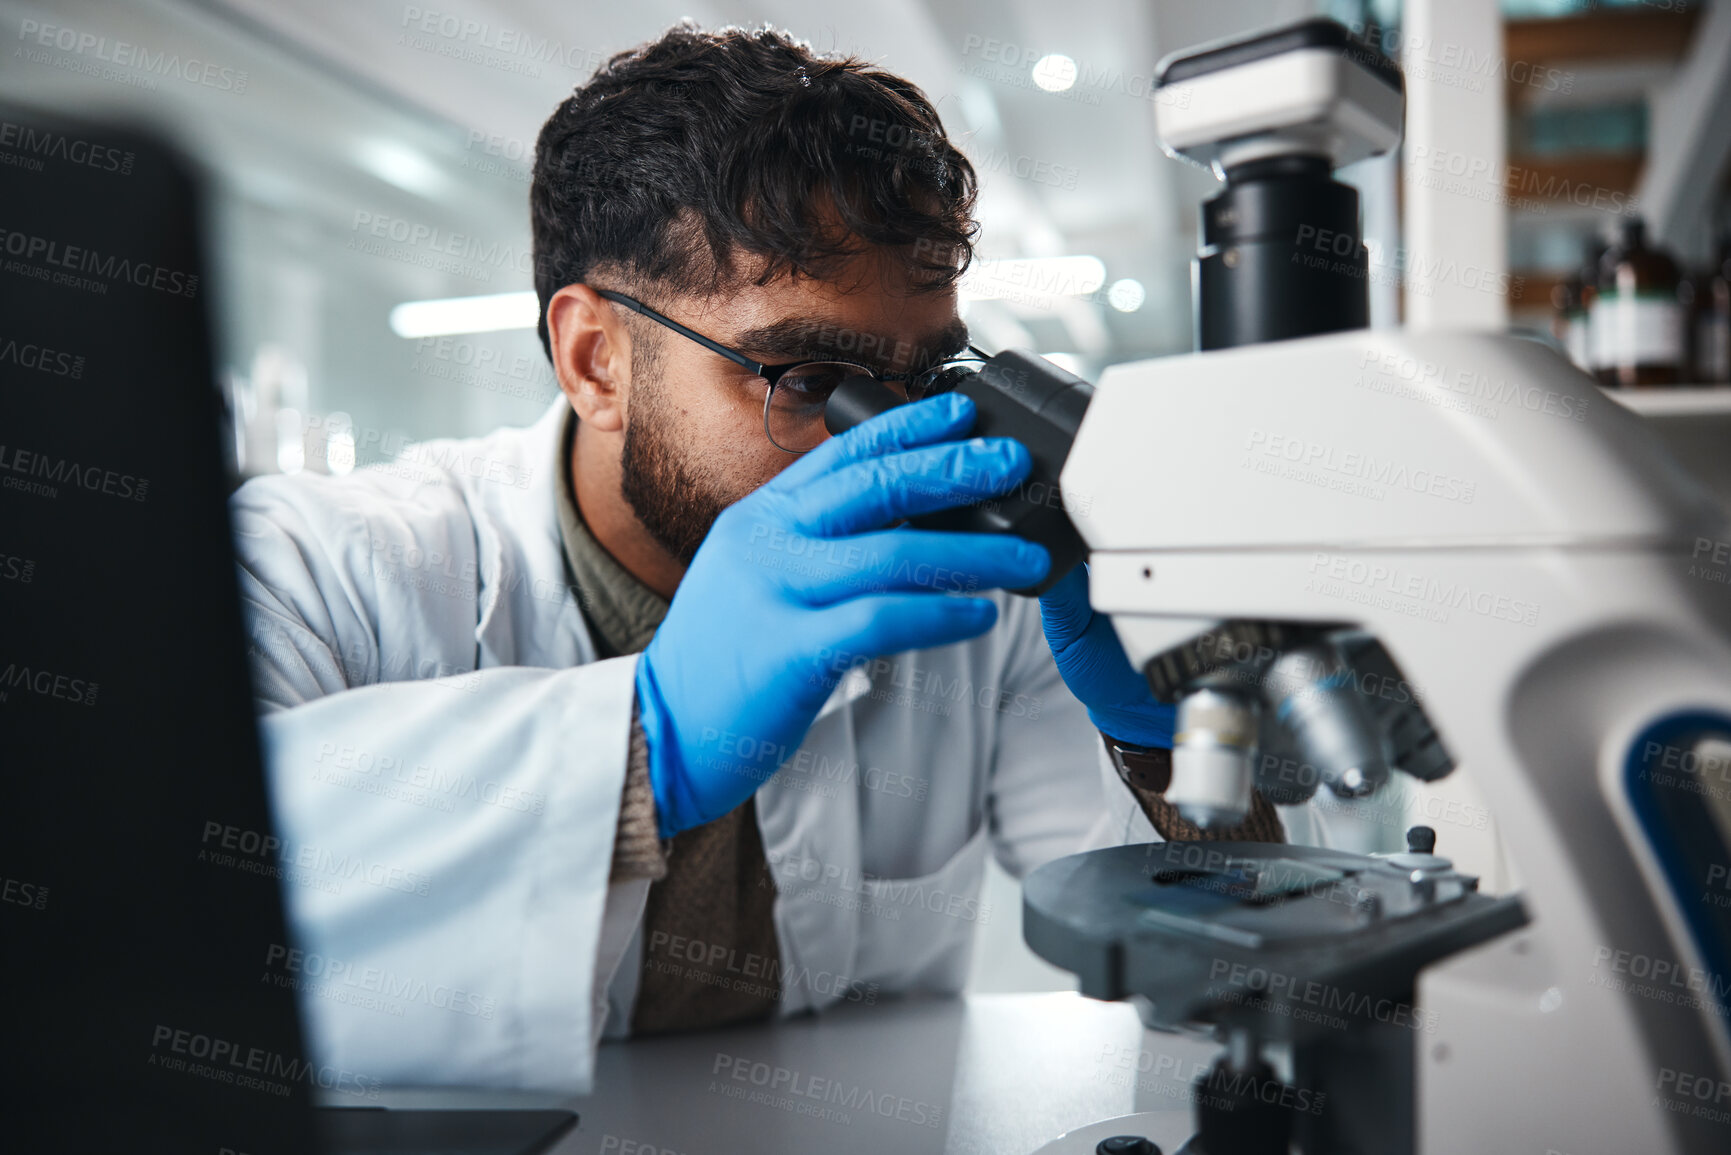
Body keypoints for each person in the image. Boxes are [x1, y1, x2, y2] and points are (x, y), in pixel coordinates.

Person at [233, 22, 1305, 1092]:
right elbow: (155, 899)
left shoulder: (978, 595)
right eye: (807, 375)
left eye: (922, 378)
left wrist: (1168, 737)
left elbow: (1211, 987)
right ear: (595, 358)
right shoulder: (322, 568)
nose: (882, 441)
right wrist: (641, 748)